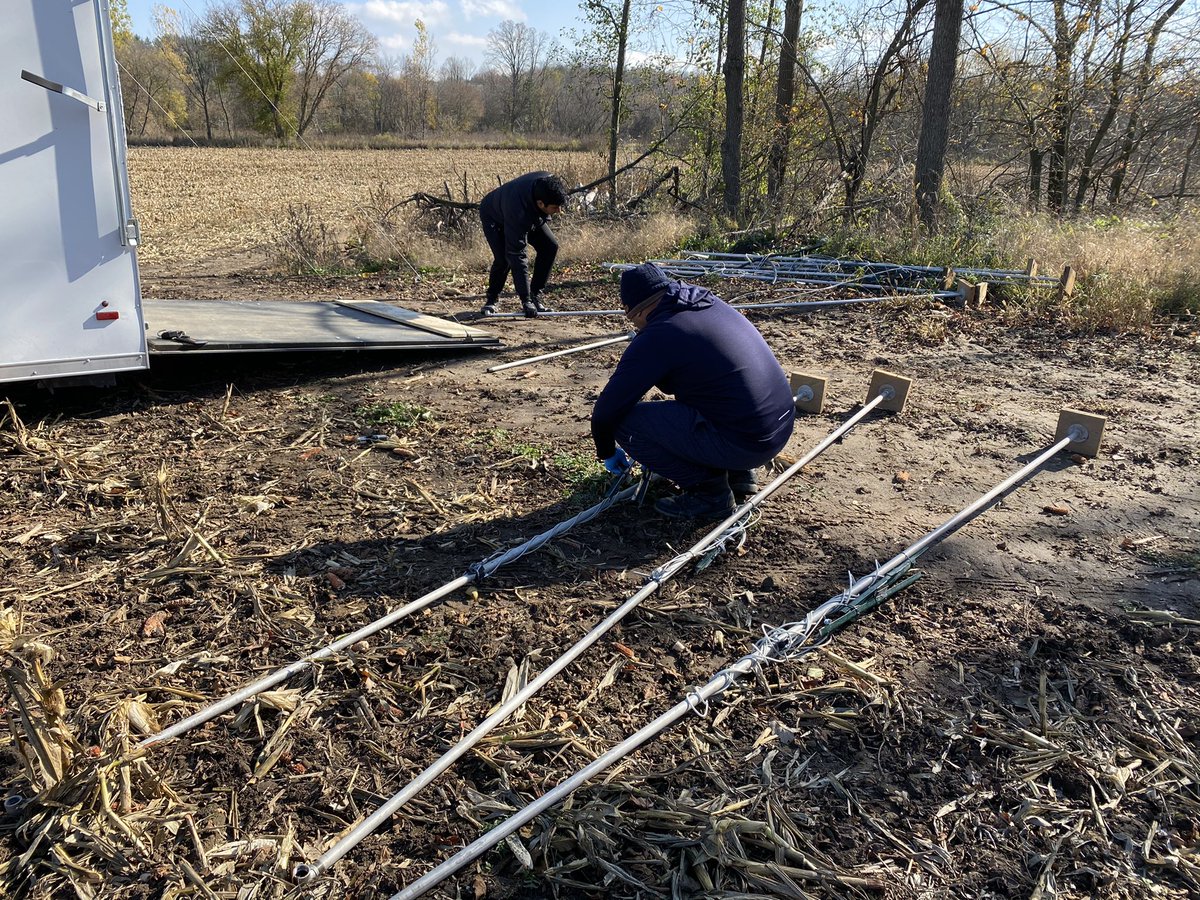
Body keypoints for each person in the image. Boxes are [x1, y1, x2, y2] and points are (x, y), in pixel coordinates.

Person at [591, 262, 796, 519]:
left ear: (635, 310)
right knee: (710, 391)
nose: (636, 327)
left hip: (746, 442)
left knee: (626, 424)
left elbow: (607, 410)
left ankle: (710, 494)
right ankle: (738, 474)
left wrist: (606, 450)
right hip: (778, 428)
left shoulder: (659, 334)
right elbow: (675, 383)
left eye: (633, 320)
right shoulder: (707, 303)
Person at [478, 171, 567, 318]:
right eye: (555, 207)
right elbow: (518, 255)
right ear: (541, 203)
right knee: (505, 258)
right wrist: (525, 301)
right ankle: (492, 299)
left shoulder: (548, 183)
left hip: (528, 208)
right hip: (494, 215)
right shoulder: (517, 212)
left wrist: (531, 299)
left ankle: (535, 295)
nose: (559, 211)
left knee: (549, 246)